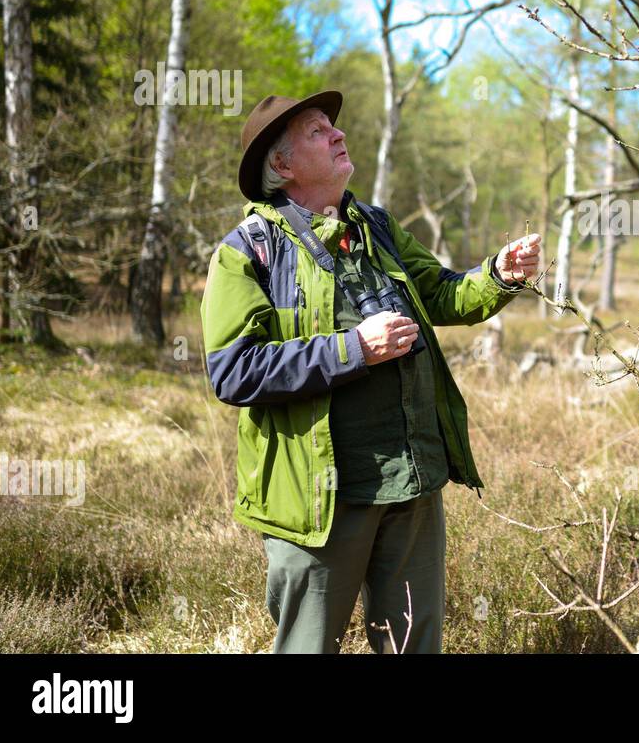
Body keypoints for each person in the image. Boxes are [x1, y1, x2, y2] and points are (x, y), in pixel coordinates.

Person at [199, 89, 540, 653]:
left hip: (413, 479)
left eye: (333, 129)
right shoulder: (247, 252)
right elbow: (235, 371)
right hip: (319, 500)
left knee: (412, 646)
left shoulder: (377, 227)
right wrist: (352, 348)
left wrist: (499, 273)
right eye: (316, 132)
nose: (338, 136)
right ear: (281, 165)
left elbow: (445, 295)